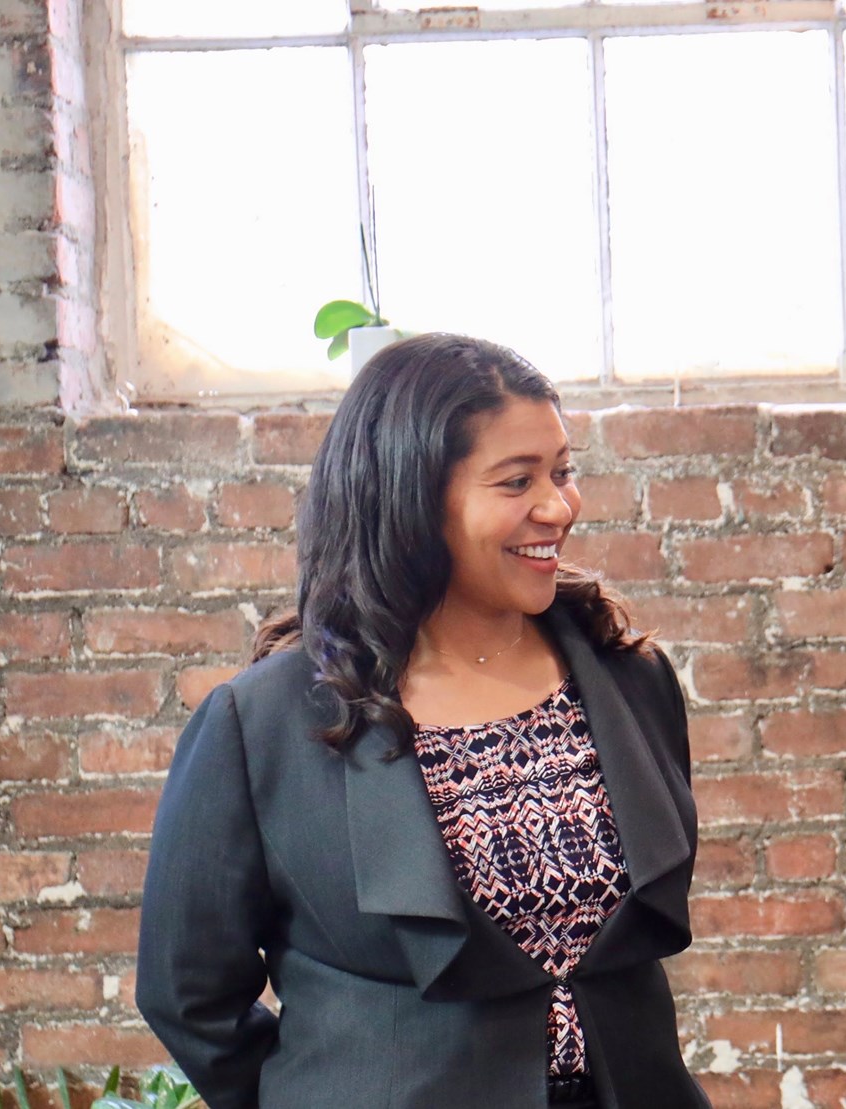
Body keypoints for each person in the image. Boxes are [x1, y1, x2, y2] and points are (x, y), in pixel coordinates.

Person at [137, 334, 709, 1109]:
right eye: (517, 481)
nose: (559, 506)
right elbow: (187, 994)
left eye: (563, 471)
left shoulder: (628, 679)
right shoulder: (264, 724)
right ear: (412, 499)